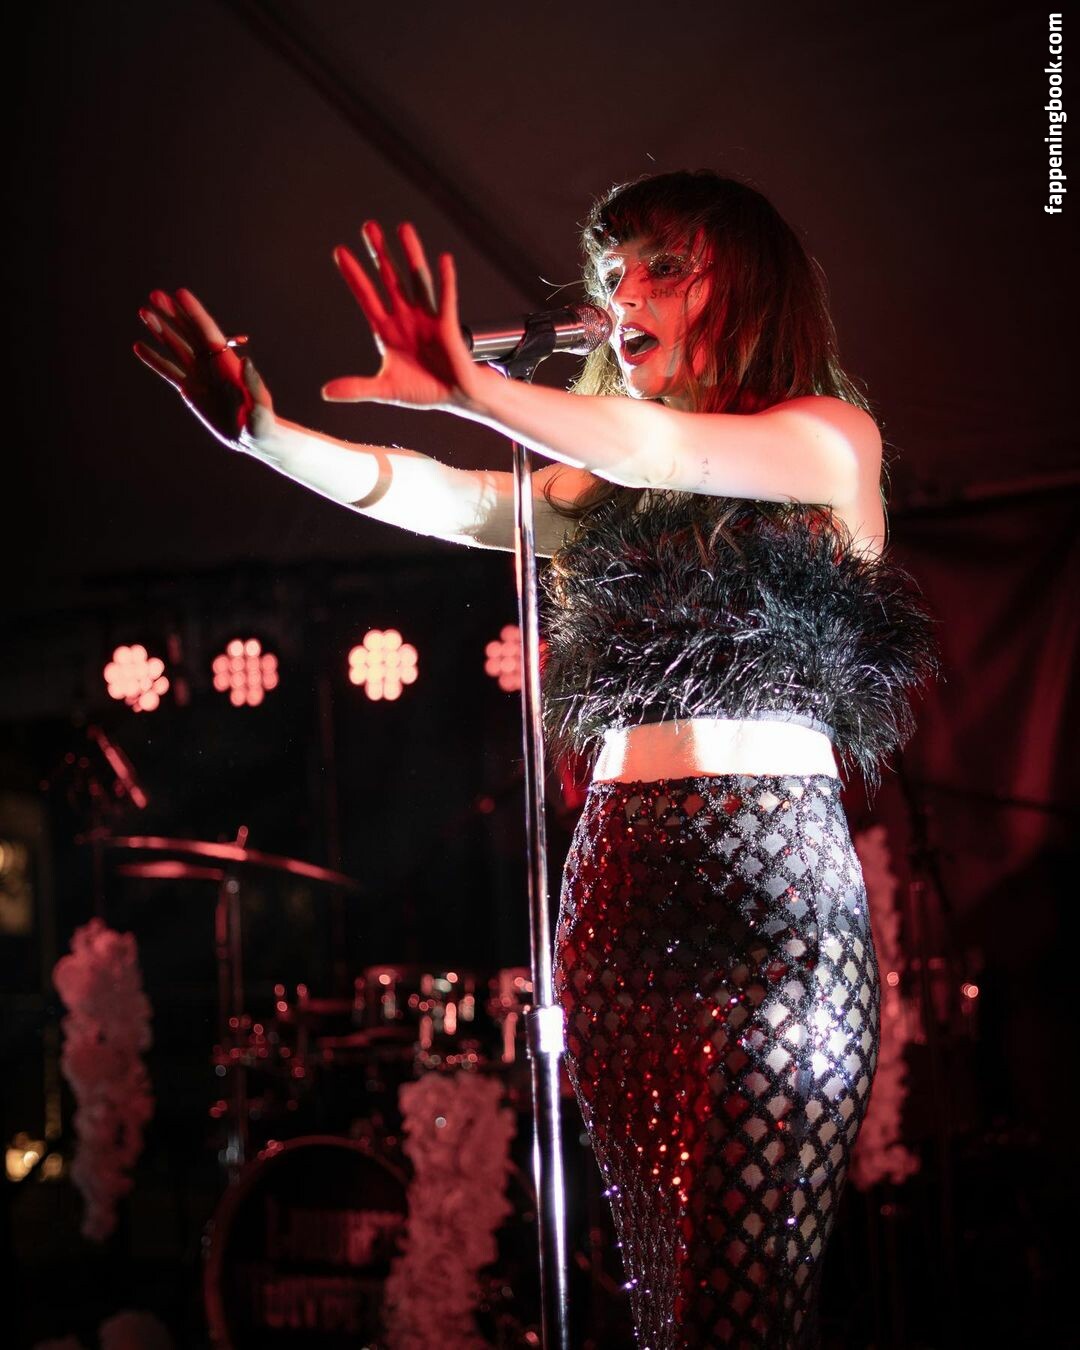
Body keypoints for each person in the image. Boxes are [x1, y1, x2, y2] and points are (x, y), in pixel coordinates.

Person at [135, 170, 936, 1348]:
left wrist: (476, 389)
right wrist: (265, 435)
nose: (625, 294)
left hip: (775, 914)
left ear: (754, 284)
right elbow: (457, 502)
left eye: (666, 265)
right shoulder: (600, 483)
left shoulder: (826, 440)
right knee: (659, 1304)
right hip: (618, 903)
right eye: (612, 272)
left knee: (738, 1305)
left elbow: (661, 447)